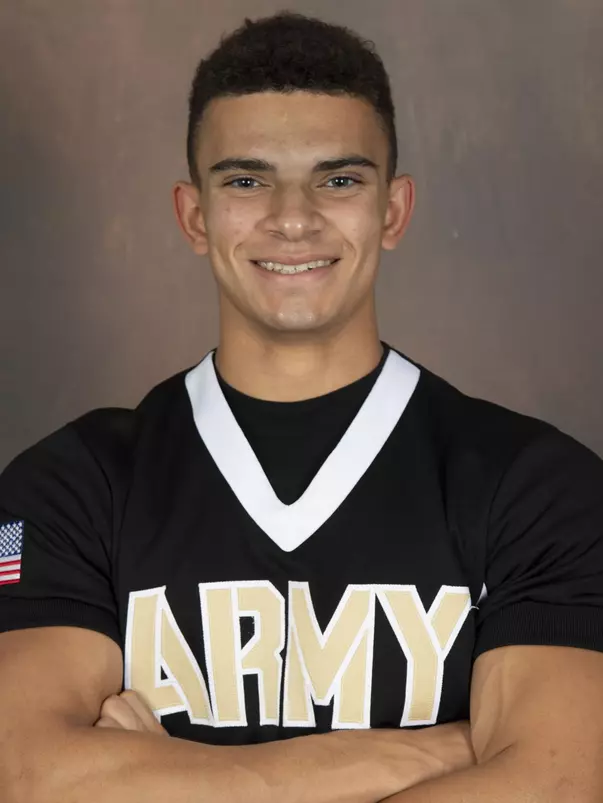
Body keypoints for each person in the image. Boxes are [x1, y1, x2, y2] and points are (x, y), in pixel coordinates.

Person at [1, 10, 602, 803]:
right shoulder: (69, 485)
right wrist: (439, 753)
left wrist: (158, 778)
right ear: (193, 215)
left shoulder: (539, 484)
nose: (292, 217)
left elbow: (555, 782)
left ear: (392, 211)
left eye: (339, 179)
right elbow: (27, 772)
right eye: (246, 180)